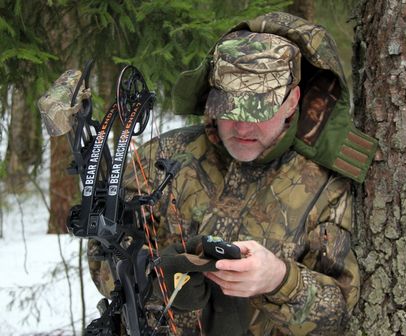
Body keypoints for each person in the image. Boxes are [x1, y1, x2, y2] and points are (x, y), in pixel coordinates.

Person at [88, 12, 378, 336]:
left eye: (258, 111)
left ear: (292, 102)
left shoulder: (324, 186)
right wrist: (150, 277)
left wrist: (279, 279)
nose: (241, 127)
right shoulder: (162, 156)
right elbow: (101, 259)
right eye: (228, 107)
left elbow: (338, 313)